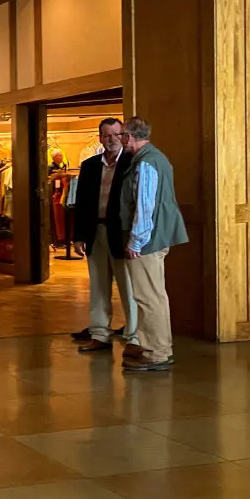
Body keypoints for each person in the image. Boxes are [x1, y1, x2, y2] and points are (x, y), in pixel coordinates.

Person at [118, 116, 189, 372]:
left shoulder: (146, 162)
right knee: (152, 295)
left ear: (129, 136)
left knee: (148, 296)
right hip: (154, 237)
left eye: (122, 135)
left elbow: (145, 206)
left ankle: (157, 352)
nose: (120, 140)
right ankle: (153, 346)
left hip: (148, 239)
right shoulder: (153, 158)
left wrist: (136, 241)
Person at [73, 118, 139, 354]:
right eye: (106, 135)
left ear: (123, 136)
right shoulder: (89, 165)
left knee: (128, 287)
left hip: (121, 235)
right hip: (95, 232)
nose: (110, 140)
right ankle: (99, 334)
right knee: (98, 286)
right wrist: (78, 235)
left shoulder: (132, 163)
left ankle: (133, 337)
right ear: (99, 137)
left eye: (115, 135)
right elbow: (81, 203)